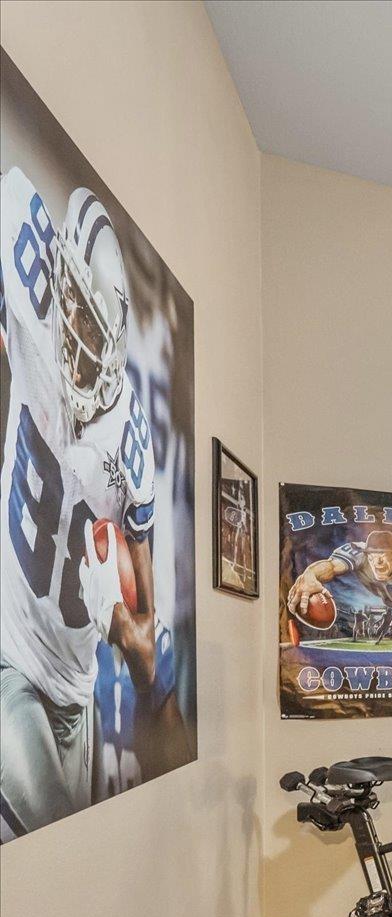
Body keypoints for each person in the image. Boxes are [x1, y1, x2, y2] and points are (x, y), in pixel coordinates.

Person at [0, 174, 175, 838]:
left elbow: (144, 582)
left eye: (89, 319)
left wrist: (133, 625)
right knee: (49, 833)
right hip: (9, 649)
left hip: (76, 685)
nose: (72, 328)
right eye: (69, 303)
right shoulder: (34, 304)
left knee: (79, 839)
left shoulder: (125, 446)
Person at [286, 528, 392, 655]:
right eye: (372, 555)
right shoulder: (359, 554)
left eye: (383, 555)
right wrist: (310, 574)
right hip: (387, 598)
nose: (377, 562)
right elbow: (331, 566)